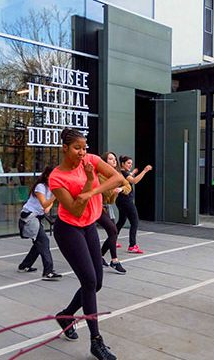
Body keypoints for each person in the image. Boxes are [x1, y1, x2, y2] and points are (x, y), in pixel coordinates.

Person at [49, 128, 123, 360]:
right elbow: (75, 208)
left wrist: (92, 187)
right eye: (76, 148)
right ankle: (96, 341)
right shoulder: (56, 177)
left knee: (97, 283)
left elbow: (118, 178)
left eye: (84, 147)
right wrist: (89, 182)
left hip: (89, 226)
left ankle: (66, 315)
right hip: (68, 229)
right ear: (64, 148)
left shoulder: (90, 160)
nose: (82, 152)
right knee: (89, 281)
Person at [17, 165, 62, 280]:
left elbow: (46, 209)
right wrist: (55, 196)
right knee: (43, 241)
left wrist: (52, 197)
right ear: (47, 176)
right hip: (29, 218)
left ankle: (24, 265)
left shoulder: (50, 189)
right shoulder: (40, 187)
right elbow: (45, 204)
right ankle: (48, 272)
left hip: (35, 218)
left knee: (39, 244)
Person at [98, 151, 131, 274]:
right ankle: (114, 260)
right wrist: (115, 188)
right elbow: (107, 193)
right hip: (97, 207)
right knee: (113, 231)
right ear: (104, 162)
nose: (114, 161)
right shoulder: (100, 175)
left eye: (114, 159)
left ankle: (100, 257)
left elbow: (128, 186)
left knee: (113, 233)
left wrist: (120, 188)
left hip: (107, 207)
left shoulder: (116, 174)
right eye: (110, 159)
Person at [115, 155, 152, 254]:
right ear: (122, 164)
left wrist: (133, 172)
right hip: (126, 200)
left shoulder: (123, 173)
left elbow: (128, 177)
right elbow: (134, 181)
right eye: (128, 163)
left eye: (131, 163)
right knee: (134, 222)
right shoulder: (123, 172)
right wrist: (144, 171)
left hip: (120, 200)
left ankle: (112, 239)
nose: (130, 165)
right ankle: (132, 245)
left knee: (121, 221)